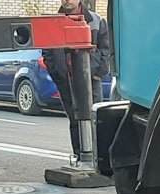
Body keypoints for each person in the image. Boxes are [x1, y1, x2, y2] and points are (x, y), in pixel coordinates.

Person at [42, 0, 112, 164]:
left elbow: (106, 49)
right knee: (75, 120)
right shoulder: (52, 23)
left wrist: (97, 73)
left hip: (91, 80)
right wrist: (58, 75)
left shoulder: (96, 21)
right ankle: (80, 158)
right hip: (67, 81)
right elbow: (47, 52)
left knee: (96, 120)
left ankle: (99, 161)